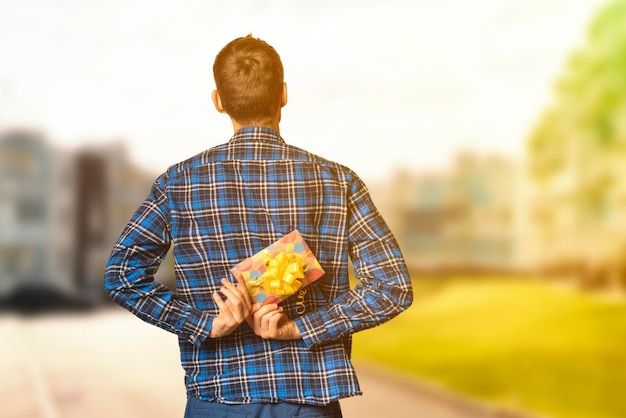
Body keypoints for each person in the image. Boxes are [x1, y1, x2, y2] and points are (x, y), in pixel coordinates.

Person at [103, 34, 413, 418]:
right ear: (283, 94)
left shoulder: (178, 183)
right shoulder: (338, 181)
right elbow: (392, 288)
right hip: (309, 401)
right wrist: (301, 328)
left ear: (218, 101)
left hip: (217, 400)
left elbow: (121, 275)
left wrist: (205, 324)